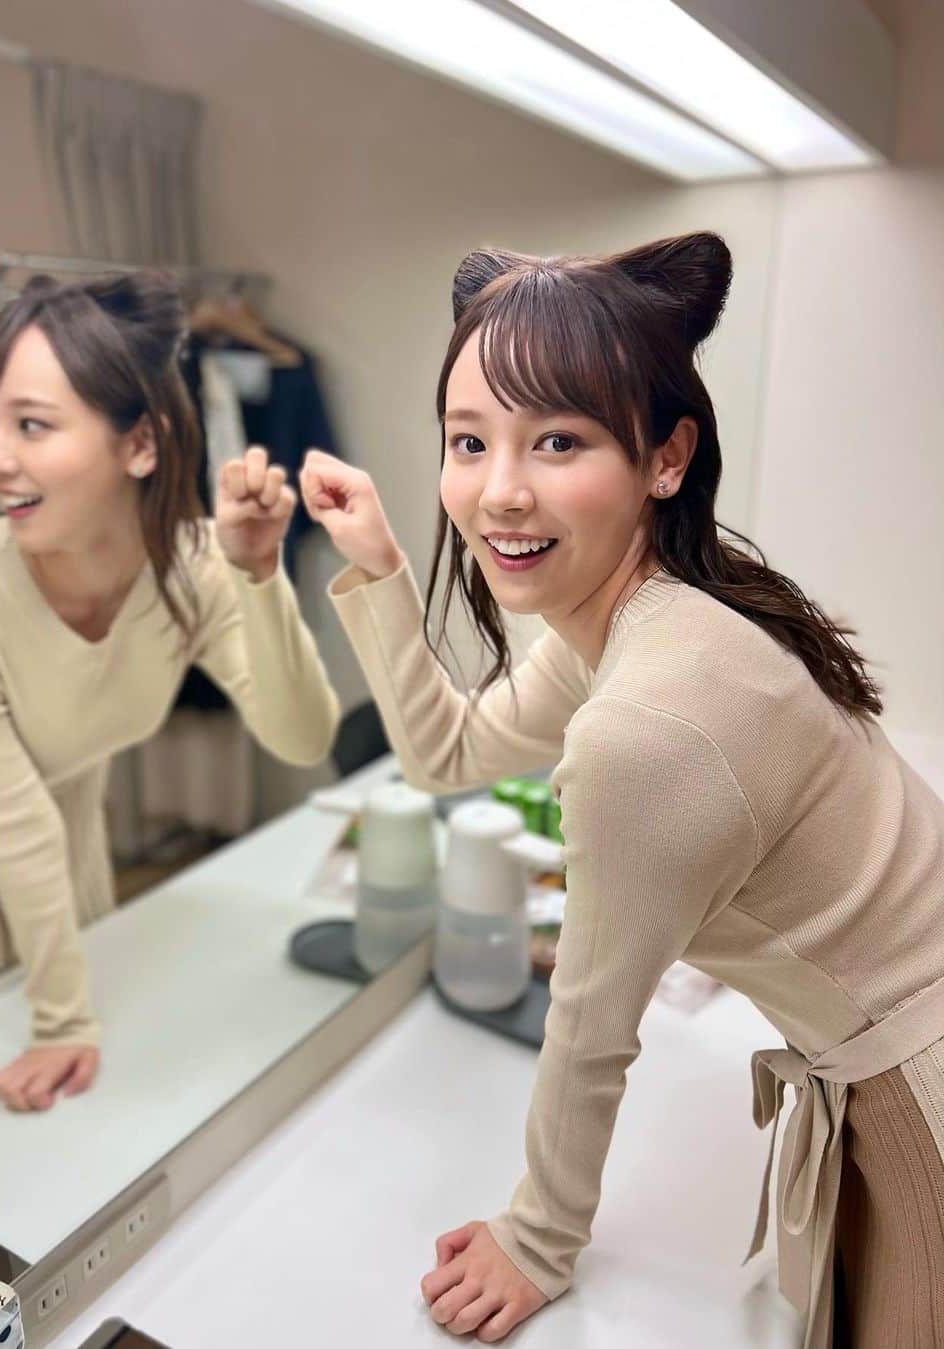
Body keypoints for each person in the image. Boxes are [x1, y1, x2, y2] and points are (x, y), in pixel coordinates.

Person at [299, 232, 944, 1347]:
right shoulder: (651, 615)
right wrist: (379, 564)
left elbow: (591, 1028)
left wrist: (537, 1237)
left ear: (665, 456)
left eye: (559, 439)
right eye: (469, 440)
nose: (501, 491)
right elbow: (451, 751)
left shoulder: (647, 718)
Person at [0, 271, 340, 1111]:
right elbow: (14, 826)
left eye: (31, 424)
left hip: (62, 819)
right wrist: (62, 1022)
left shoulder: (194, 566)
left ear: (141, 444)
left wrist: (259, 577)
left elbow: (302, 736)